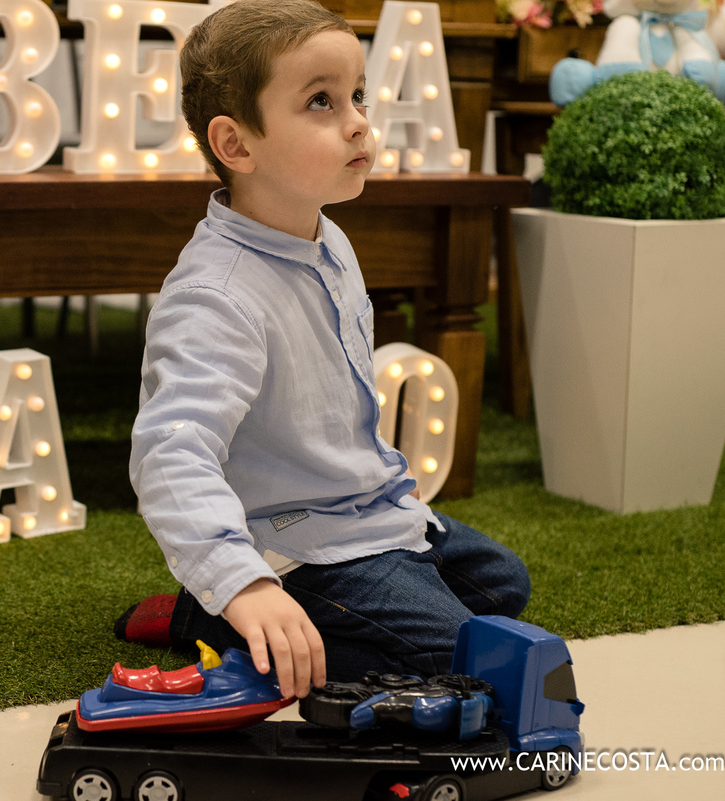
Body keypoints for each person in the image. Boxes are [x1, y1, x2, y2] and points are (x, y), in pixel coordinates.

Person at [122, 0, 531, 702]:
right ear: (237, 145)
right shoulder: (215, 295)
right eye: (321, 101)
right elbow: (169, 451)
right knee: (465, 657)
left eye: (357, 96)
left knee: (504, 586)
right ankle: (227, 611)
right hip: (296, 545)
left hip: (368, 513)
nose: (358, 121)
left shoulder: (326, 239)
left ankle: (235, 610)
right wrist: (246, 582)